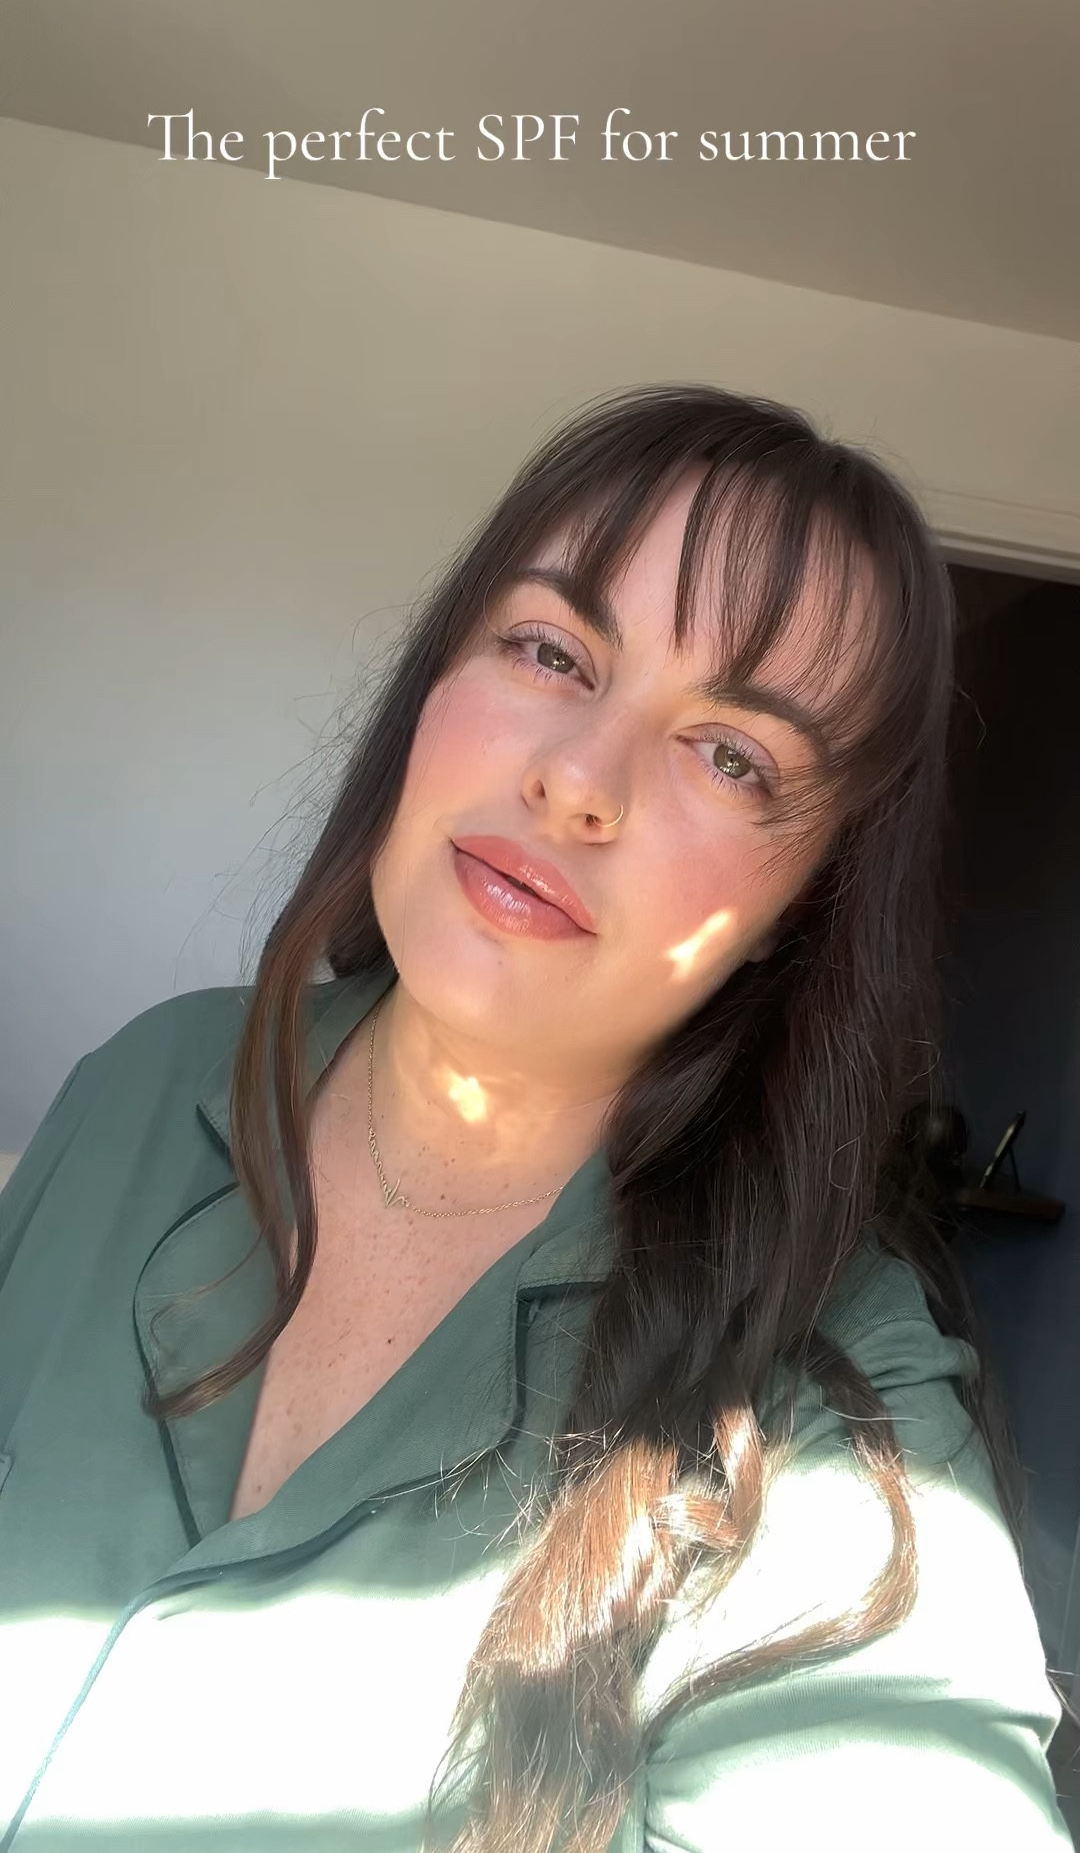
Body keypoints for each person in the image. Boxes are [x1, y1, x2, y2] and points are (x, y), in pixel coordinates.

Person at [0, 383, 1072, 1853]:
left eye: (732, 754)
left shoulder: (830, 1400)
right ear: (437, 677)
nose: (576, 780)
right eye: (551, 650)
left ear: (798, 907)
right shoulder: (143, 1080)